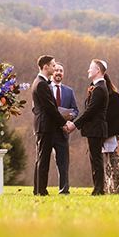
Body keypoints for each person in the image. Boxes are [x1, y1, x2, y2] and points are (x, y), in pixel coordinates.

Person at [32, 56, 74, 196]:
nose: (54, 67)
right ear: (45, 67)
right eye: (52, 65)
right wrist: (63, 123)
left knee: (42, 159)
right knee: (43, 160)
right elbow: (50, 108)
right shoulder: (41, 84)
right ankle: (40, 191)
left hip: (45, 126)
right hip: (45, 127)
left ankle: (38, 189)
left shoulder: (41, 82)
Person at [67, 59, 109, 195]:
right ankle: (98, 189)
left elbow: (90, 111)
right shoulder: (98, 88)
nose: (88, 70)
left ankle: (98, 190)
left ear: (98, 71)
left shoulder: (99, 89)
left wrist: (75, 124)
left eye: (91, 68)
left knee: (96, 160)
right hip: (94, 129)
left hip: (96, 129)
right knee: (95, 159)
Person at [50, 62, 78, 194]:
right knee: (42, 161)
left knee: (63, 164)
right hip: (48, 130)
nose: (58, 73)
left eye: (61, 70)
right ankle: (40, 189)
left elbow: (76, 110)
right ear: (51, 73)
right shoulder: (44, 88)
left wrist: (71, 115)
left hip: (63, 133)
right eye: (56, 70)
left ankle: (64, 190)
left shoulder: (69, 91)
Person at [103, 68, 119, 194]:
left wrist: (106, 134)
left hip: (113, 134)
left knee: (115, 164)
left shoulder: (114, 96)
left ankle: (116, 188)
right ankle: (105, 188)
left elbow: (115, 117)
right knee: (103, 164)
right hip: (100, 134)